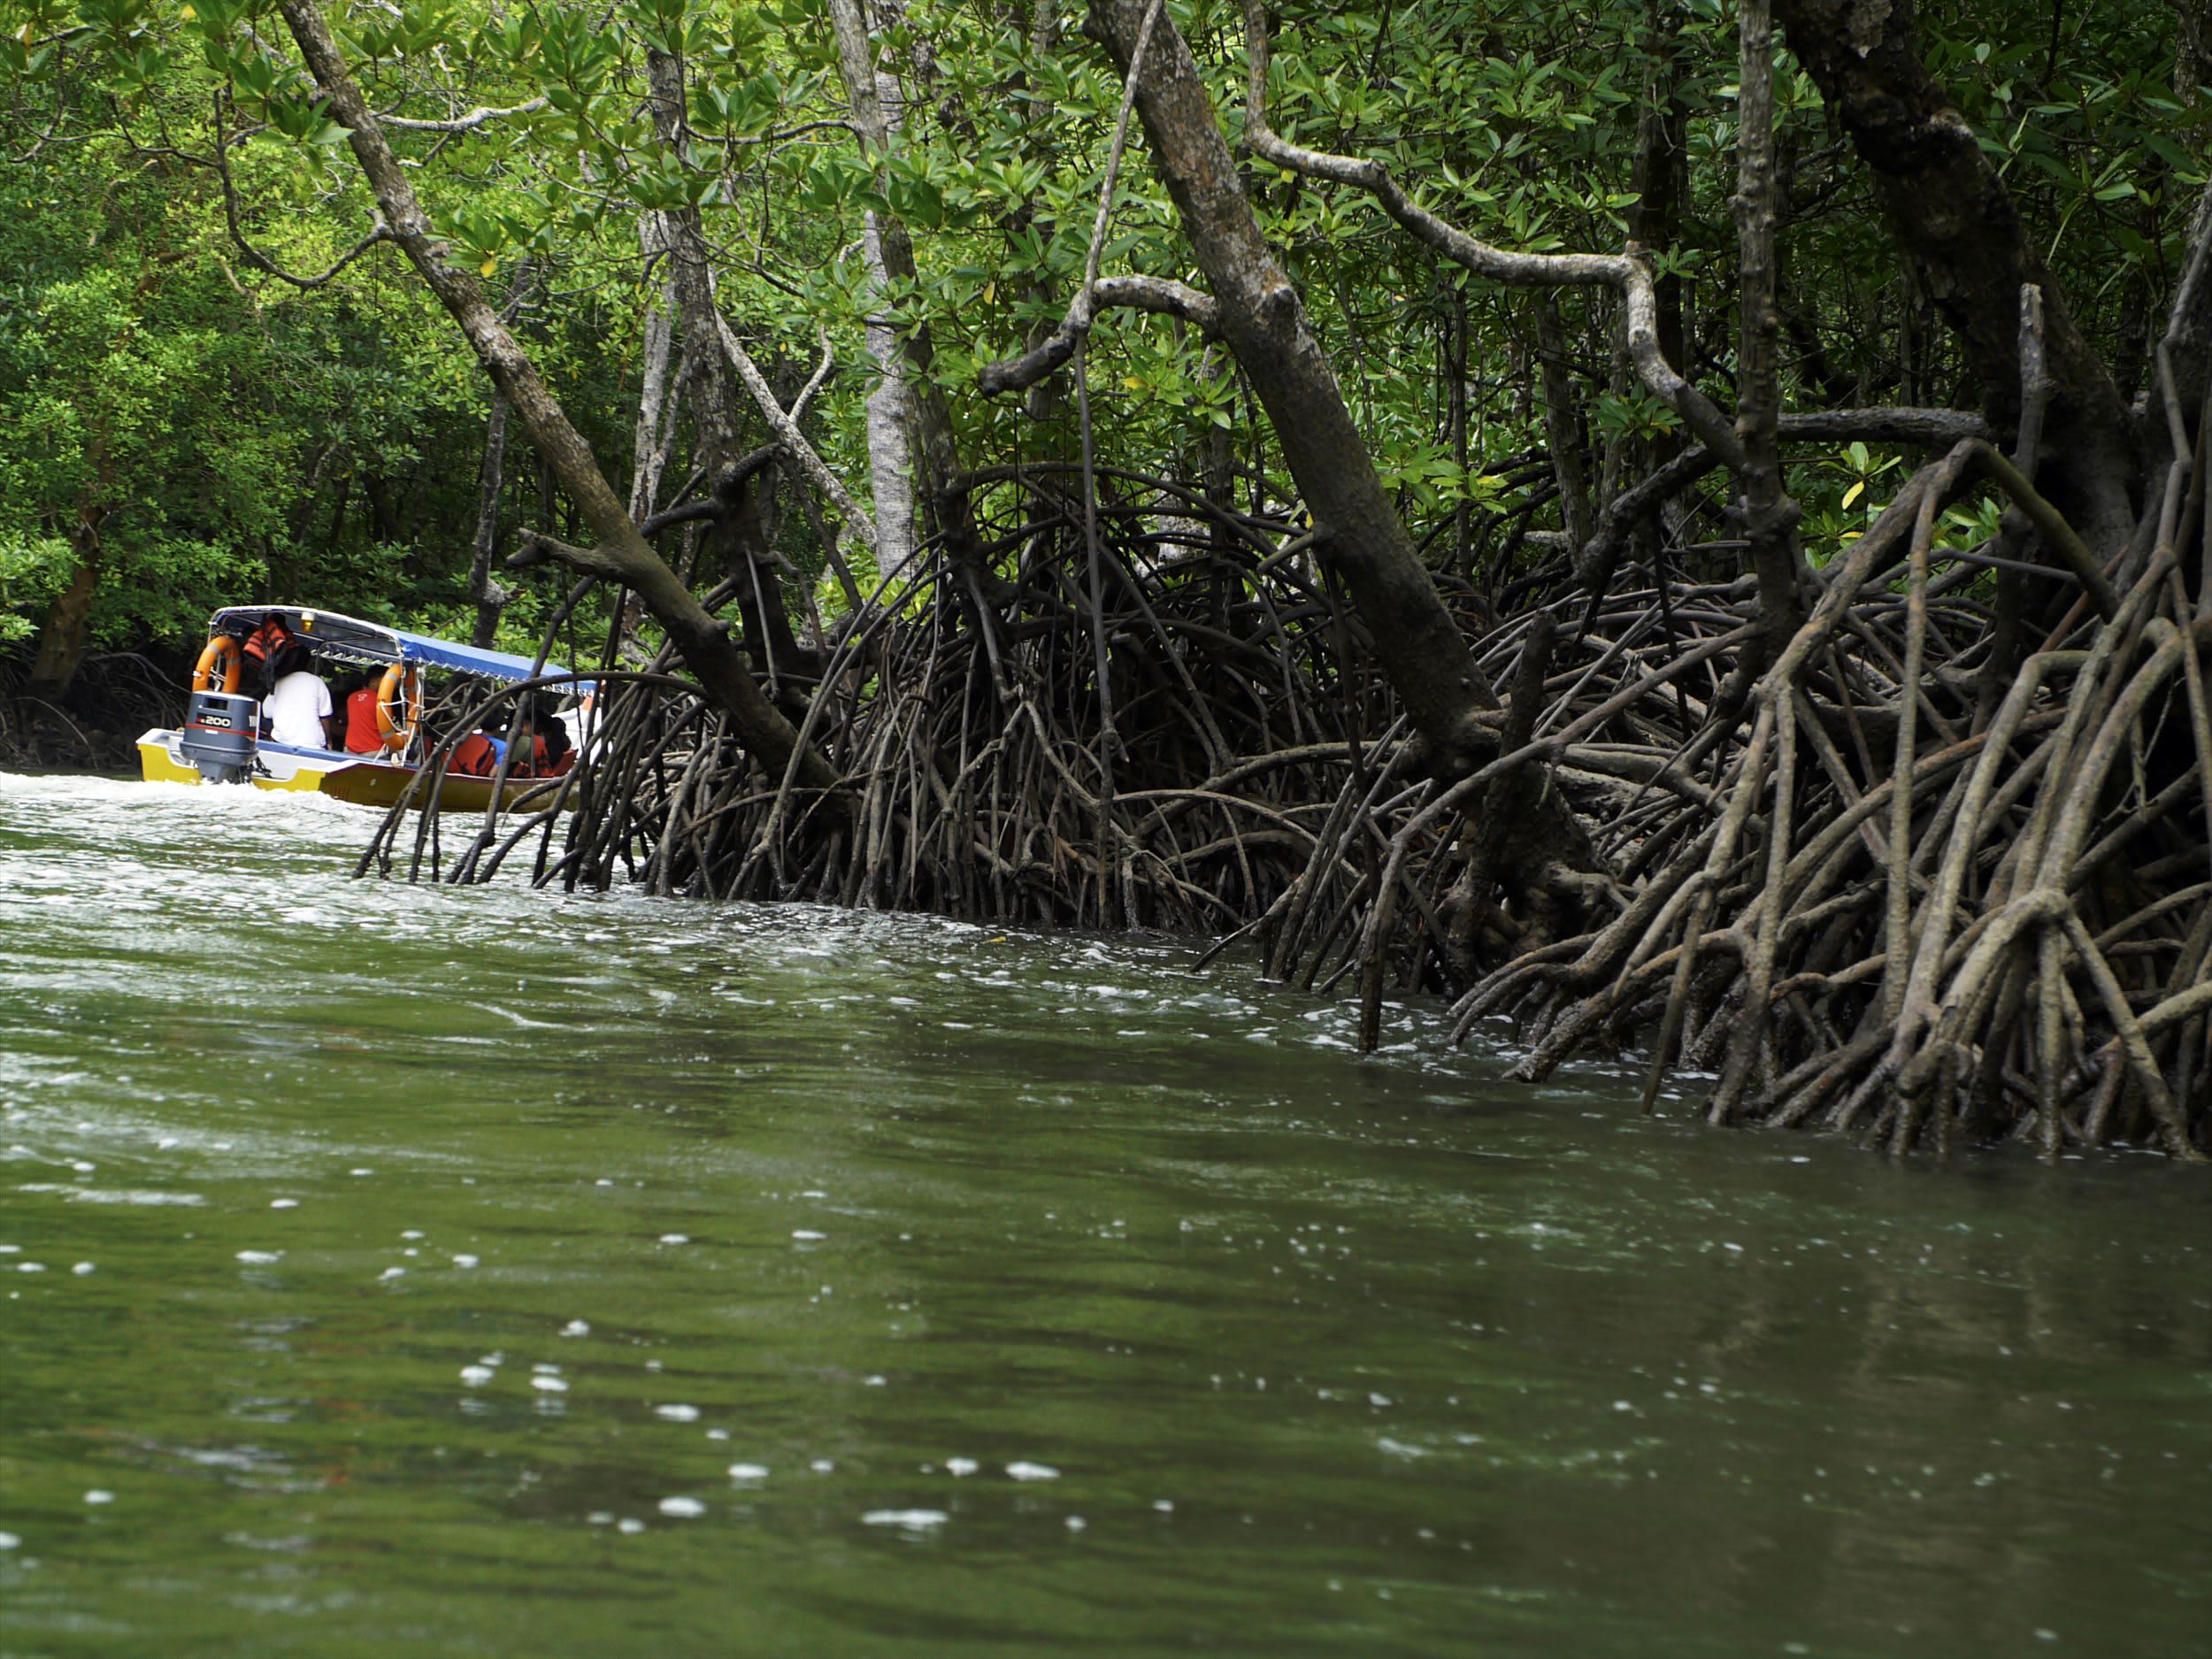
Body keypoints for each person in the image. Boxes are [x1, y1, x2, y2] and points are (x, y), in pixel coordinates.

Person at [263, 653, 336, 749]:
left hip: (282, 741)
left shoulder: (280, 682)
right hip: (312, 744)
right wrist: (329, 741)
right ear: (309, 664)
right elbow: (325, 717)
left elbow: (267, 713)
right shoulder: (317, 682)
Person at [342, 672, 385, 755]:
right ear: (373, 682)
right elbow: (387, 725)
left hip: (351, 749)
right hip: (374, 750)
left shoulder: (351, 698)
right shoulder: (381, 701)